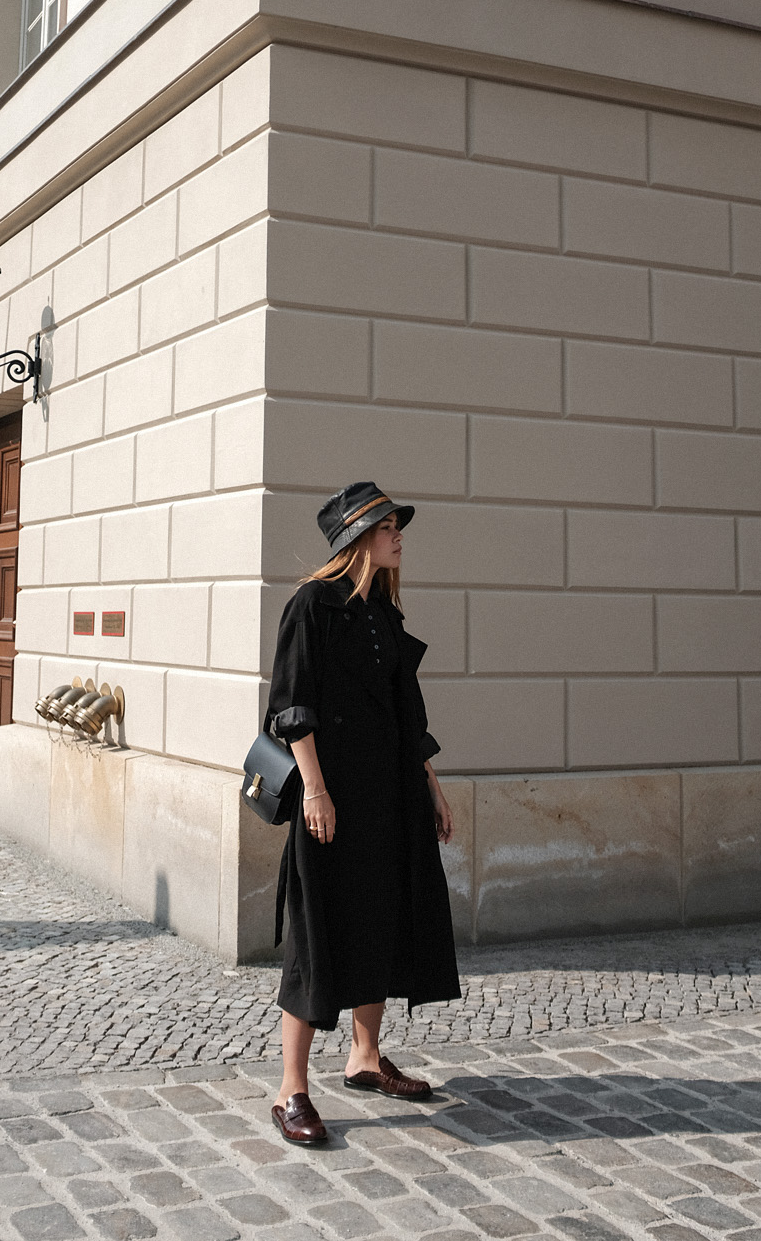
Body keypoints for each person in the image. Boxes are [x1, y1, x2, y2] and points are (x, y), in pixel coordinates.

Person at [266, 481, 460, 1146]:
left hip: (392, 796)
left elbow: (410, 713)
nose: (399, 535)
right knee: (319, 936)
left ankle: (366, 1056)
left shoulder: (383, 613)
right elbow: (293, 706)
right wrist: (315, 790)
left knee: (385, 919)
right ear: (357, 539)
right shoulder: (312, 605)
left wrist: (431, 784)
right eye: (387, 527)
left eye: (396, 526)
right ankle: (291, 1087)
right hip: (335, 801)